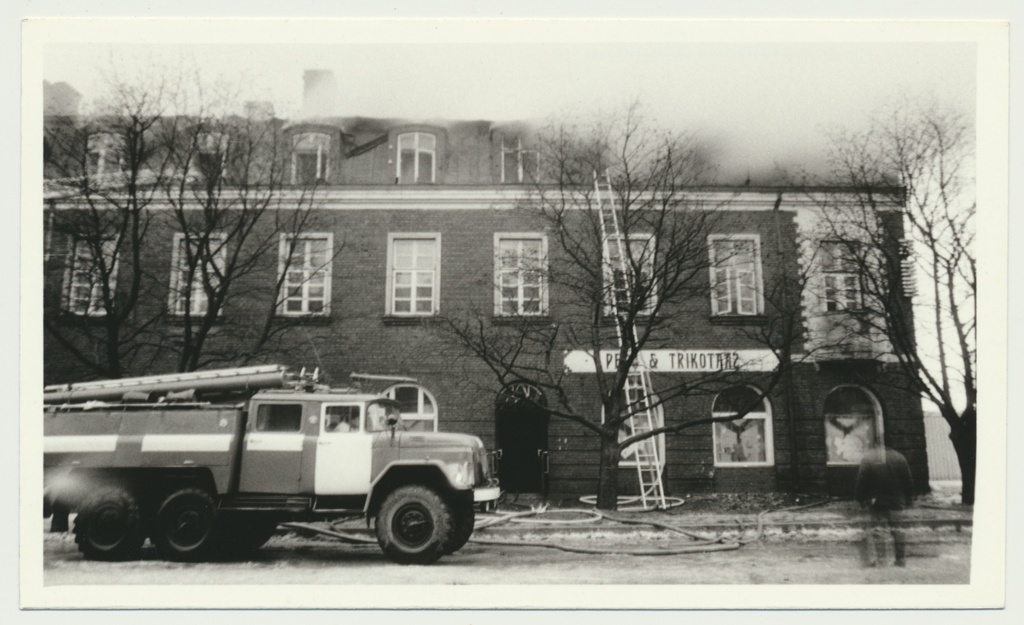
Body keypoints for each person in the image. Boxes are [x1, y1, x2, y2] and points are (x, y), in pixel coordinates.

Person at [855, 441, 914, 567]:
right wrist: (909, 499)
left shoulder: (868, 457)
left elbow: (861, 480)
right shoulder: (899, 457)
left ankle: (882, 560)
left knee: (878, 531)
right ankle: (900, 560)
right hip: (897, 502)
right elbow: (908, 480)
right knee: (898, 531)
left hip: (877, 502)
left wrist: (861, 498)